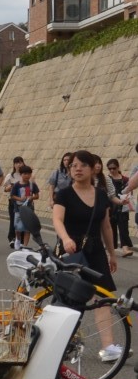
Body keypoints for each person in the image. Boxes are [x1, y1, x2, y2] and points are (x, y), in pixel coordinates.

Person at [52, 151, 121, 359]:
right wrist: (65, 239)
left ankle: (108, 348)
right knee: (69, 298)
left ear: (93, 168)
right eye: (73, 165)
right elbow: (57, 220)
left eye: (82, 165)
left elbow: (106, 227)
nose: (77, 169)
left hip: (95, 250)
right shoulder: (64, 193)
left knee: (104, 296)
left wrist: (112, 254)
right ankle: (59, 344)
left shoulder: (100, 194)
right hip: (71, 251)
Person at [8, 164, 41, 250]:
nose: (27, 176)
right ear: (21, 174)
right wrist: (20, 198)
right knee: (17, 226)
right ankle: (18, 239)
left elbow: (37, 196)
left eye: (29, 174)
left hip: (29, 209)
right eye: (25, 174)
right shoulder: (17, 185)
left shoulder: (32, 185)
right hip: (18, 208)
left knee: (27, 228)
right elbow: (12, 196)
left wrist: (31, 197)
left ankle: (25, 245)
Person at [105, 159, 133, 256]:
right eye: (110, 168)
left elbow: (130, 190)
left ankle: (125, 248)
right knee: (111, 228)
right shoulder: (107, 179)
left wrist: (127, 197)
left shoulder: (125, 179)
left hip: (122, 206)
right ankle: (111, 248)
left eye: (114, 168)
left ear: (118, 167)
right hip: (110, 206)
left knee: (123, 227)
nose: (112, 170)